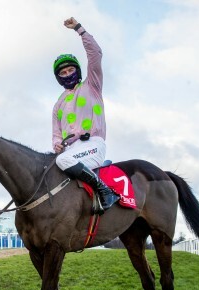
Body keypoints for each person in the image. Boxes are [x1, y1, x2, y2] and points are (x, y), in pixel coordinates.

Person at [52, 17, 119, 215]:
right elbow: (56, 134)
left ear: (78, 71)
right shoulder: (58, 105)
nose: (67, 73)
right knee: (53, 165)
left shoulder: (92, 85)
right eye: (63, 72)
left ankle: (105, 191)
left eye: (71, 69)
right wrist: (57, 144)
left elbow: (95, 55)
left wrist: (80, 30)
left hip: (93, 145)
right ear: (59, 78)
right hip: (70, 151)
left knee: (61, 162)